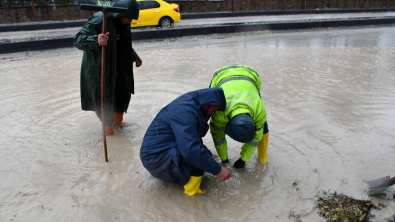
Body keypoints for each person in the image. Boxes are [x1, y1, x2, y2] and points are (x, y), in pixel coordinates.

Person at [140, 88, 232, 196]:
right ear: (206, 104)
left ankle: (184, 178)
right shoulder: (185, 113)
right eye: (214, 110)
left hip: (158, 153)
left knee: (204, 155)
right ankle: (192, 194)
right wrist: (218, 170)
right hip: (155, 159)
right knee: (197, 156)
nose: (214, 114)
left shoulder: (196, 102)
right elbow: (191, 151)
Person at [73, 0, 142, 136]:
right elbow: (78, 39)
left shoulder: (123, 23)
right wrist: (96, 40)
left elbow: (123, 42)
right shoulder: (101, 19)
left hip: (120, 68)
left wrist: (133, 55)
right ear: (120, 13)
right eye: (129, 18)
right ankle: (110, 137)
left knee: (122, 97)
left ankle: (118, 133)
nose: (129, 21)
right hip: (102, 70)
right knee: (106, 104)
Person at [209, 65, 269, 169]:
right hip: (221, 76)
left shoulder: (259, 111)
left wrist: (243, 160)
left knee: (264, 126)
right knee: (206, 111)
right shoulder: (219, 111)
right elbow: (218, 137)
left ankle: (263, 157)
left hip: (250, 76)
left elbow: (256, 137)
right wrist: (224, 159)